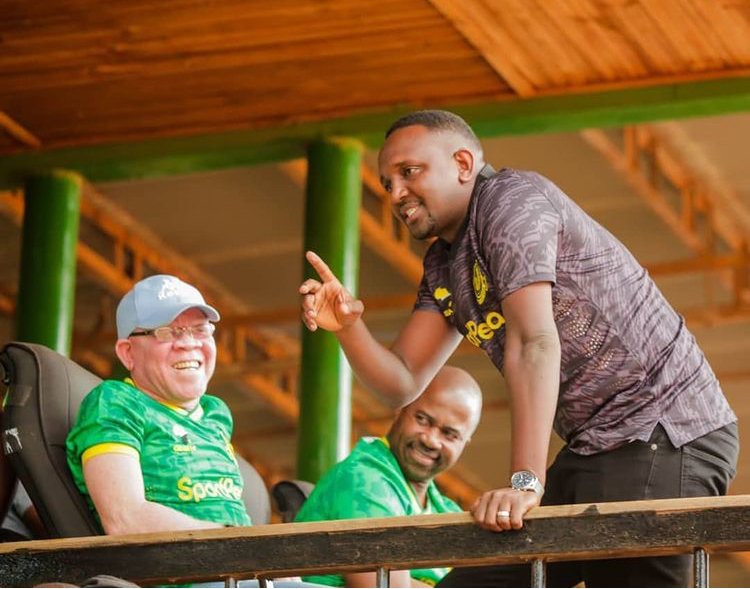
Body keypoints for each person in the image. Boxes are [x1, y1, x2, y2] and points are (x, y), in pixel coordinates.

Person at [299, 110, 738, 587]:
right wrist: (348, 329)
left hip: (662, 429)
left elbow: (534, 342)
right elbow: (402, 381)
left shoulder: (511, 201)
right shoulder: (443, 263)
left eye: (409, 172)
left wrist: (524, 482)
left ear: (463, 164)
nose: (396, 193)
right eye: (387, 183)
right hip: (594, 447)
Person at [66, 274, 249, 534]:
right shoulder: (116, 403)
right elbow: (125, 519)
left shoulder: (215, 414)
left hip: (248, 556)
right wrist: (231, 541)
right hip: (184, 560)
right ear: (128, 353)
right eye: (167, 332)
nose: (189, 343)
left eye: (200, 329)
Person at [294, 365, 482, 588]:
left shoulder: (447, 511)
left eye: (449, 434)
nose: (431, 440)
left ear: (464, 443)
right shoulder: (364, 479)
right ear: (401, 408)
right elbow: (382, 585)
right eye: (422, 419)